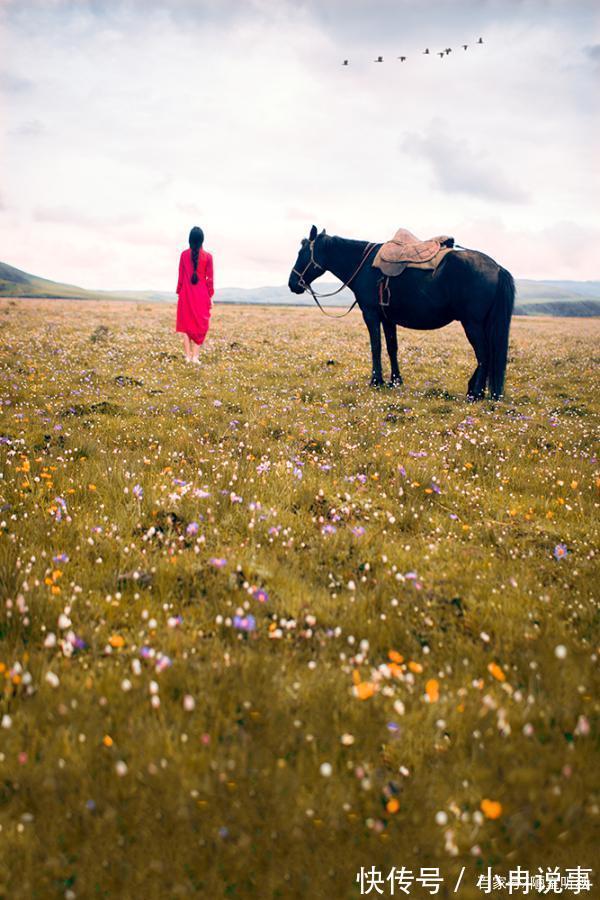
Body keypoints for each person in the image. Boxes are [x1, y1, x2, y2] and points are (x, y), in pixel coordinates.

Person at [175, 226, 214, 363]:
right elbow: (210, 279)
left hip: (186, 294)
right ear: (202, 239)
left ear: (189, 239)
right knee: (200, 324)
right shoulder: (208, 257)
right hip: (202, 295)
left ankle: (188, 356)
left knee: (186, 325)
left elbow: (180, 276)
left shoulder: (183, 255)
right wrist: (211, 296)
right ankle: (195, 357)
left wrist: (179, 292)